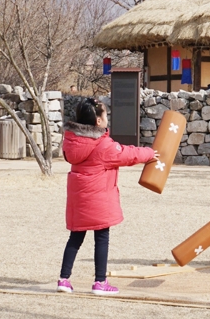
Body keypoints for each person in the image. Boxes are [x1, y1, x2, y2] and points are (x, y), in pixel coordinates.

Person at [57, 97, 159, 295]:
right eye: (105, 115)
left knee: (75, 238)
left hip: (79, 199)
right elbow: (128, 154)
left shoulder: (72, 142)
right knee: (102, 238)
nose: (107, 119)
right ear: (98, 121)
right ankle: (100, 282)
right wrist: (150, 153)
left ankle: (63, 279)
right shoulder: (103, 145)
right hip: (98, 198)